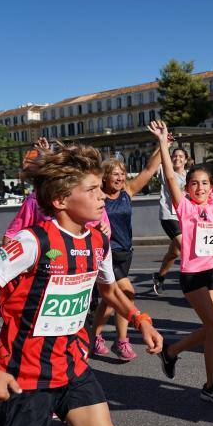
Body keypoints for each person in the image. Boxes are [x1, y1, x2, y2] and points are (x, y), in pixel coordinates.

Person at [0, 142, 162, 426]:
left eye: (99, 187)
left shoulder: (98, 242)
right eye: (91, 190)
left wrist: (140, 319)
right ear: (61, 200)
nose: (102, 195)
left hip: (73, 368)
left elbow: (110, 290)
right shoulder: (32, 242)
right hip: (24, 377)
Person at [151, 119, 213, 404]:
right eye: (194, 184)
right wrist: (163, 144)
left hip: (211, 272)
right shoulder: (186, 207)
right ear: (187, 188)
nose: (200, 187)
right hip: (192, 276)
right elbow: (168, 177)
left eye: (204, 183)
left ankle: (187, 364)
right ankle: (198, 374)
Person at [92, 147, 161, 360]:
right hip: (105, 253)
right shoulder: (97, 196)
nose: (121, 177)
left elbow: (149, 170)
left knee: (109, 301)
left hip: (125, 253)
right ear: (104, 176)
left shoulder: (127, 192)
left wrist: (162, 145)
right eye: (115, 173)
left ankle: (93, 335)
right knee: (126, 293)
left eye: (122, 173)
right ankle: (122, 341)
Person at [151, 146, 190, 295]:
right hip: (169, 216)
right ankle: (192, 284)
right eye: (174, 156)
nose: (177, 158)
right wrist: (163, 145)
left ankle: (159, 277)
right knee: (185, 247)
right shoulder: (165, 171)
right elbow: (152, 164)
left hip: (184, 217)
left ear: (186, 160)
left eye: (181, 156)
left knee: (175, 252)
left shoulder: (190, 176)